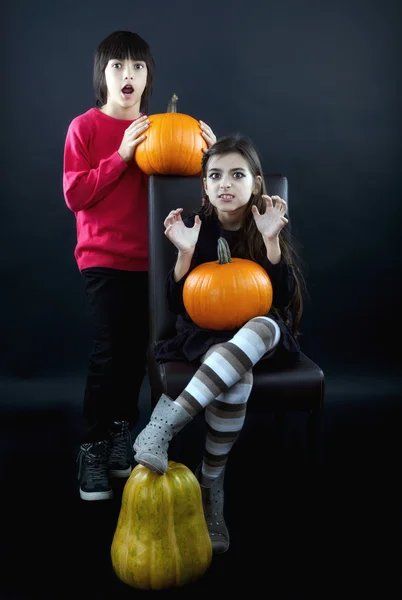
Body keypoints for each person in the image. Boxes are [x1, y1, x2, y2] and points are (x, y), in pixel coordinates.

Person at [62, 30, 217, 501]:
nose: (127, 75)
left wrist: (204, 158)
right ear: (102, 75)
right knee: (109, 353)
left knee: (137, 356)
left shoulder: (161, 128)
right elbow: (76, 195)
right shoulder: (85, 128)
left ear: (147, 78)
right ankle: (91, 447)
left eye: (137, 67)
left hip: (153, 264)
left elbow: (188, 195)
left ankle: (118, 441)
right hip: (104, 260)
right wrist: (122, 157)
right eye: (117, 66)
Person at [133, 133, 306, 553]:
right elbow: (178, 306)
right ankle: (211, 486)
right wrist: (184, 254)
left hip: (261, 333)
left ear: (256, 183)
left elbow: (280, 301)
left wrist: (270, 242)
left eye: (236, 174)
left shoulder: (265, 222)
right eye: (215, 175)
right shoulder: (196, 227)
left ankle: (164, 425)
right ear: (206, 187)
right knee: (238, 378)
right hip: (208, 335)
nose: (225, 182)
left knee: (263, 324)